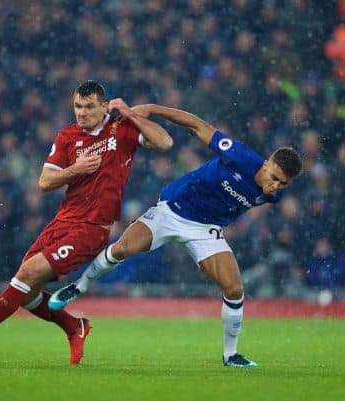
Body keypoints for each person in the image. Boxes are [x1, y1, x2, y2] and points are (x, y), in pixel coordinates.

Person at [48, 103, 303, 368]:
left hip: (205, 230)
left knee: (235, 289)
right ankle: (78, 286)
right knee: (123, 248)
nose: (275, 186)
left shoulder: (274, 195)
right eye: (274, 177)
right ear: (267, 164)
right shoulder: (239, 156)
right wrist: (150, 109)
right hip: (171, 211)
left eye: (283, 183)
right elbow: (196, 124)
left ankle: (231, 356)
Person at [0, 81, 173, 364]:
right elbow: (44, 181)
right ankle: (75, 326)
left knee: (26, 276)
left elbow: (164, 142)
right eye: (77, 106)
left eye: (89, 107)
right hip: (61, 222)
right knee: (26, 292)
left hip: (91, 229)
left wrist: (132, 113)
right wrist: (76, 169)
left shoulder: (121, 128)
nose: (82, 113)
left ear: (103, 106)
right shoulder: (67, 137)